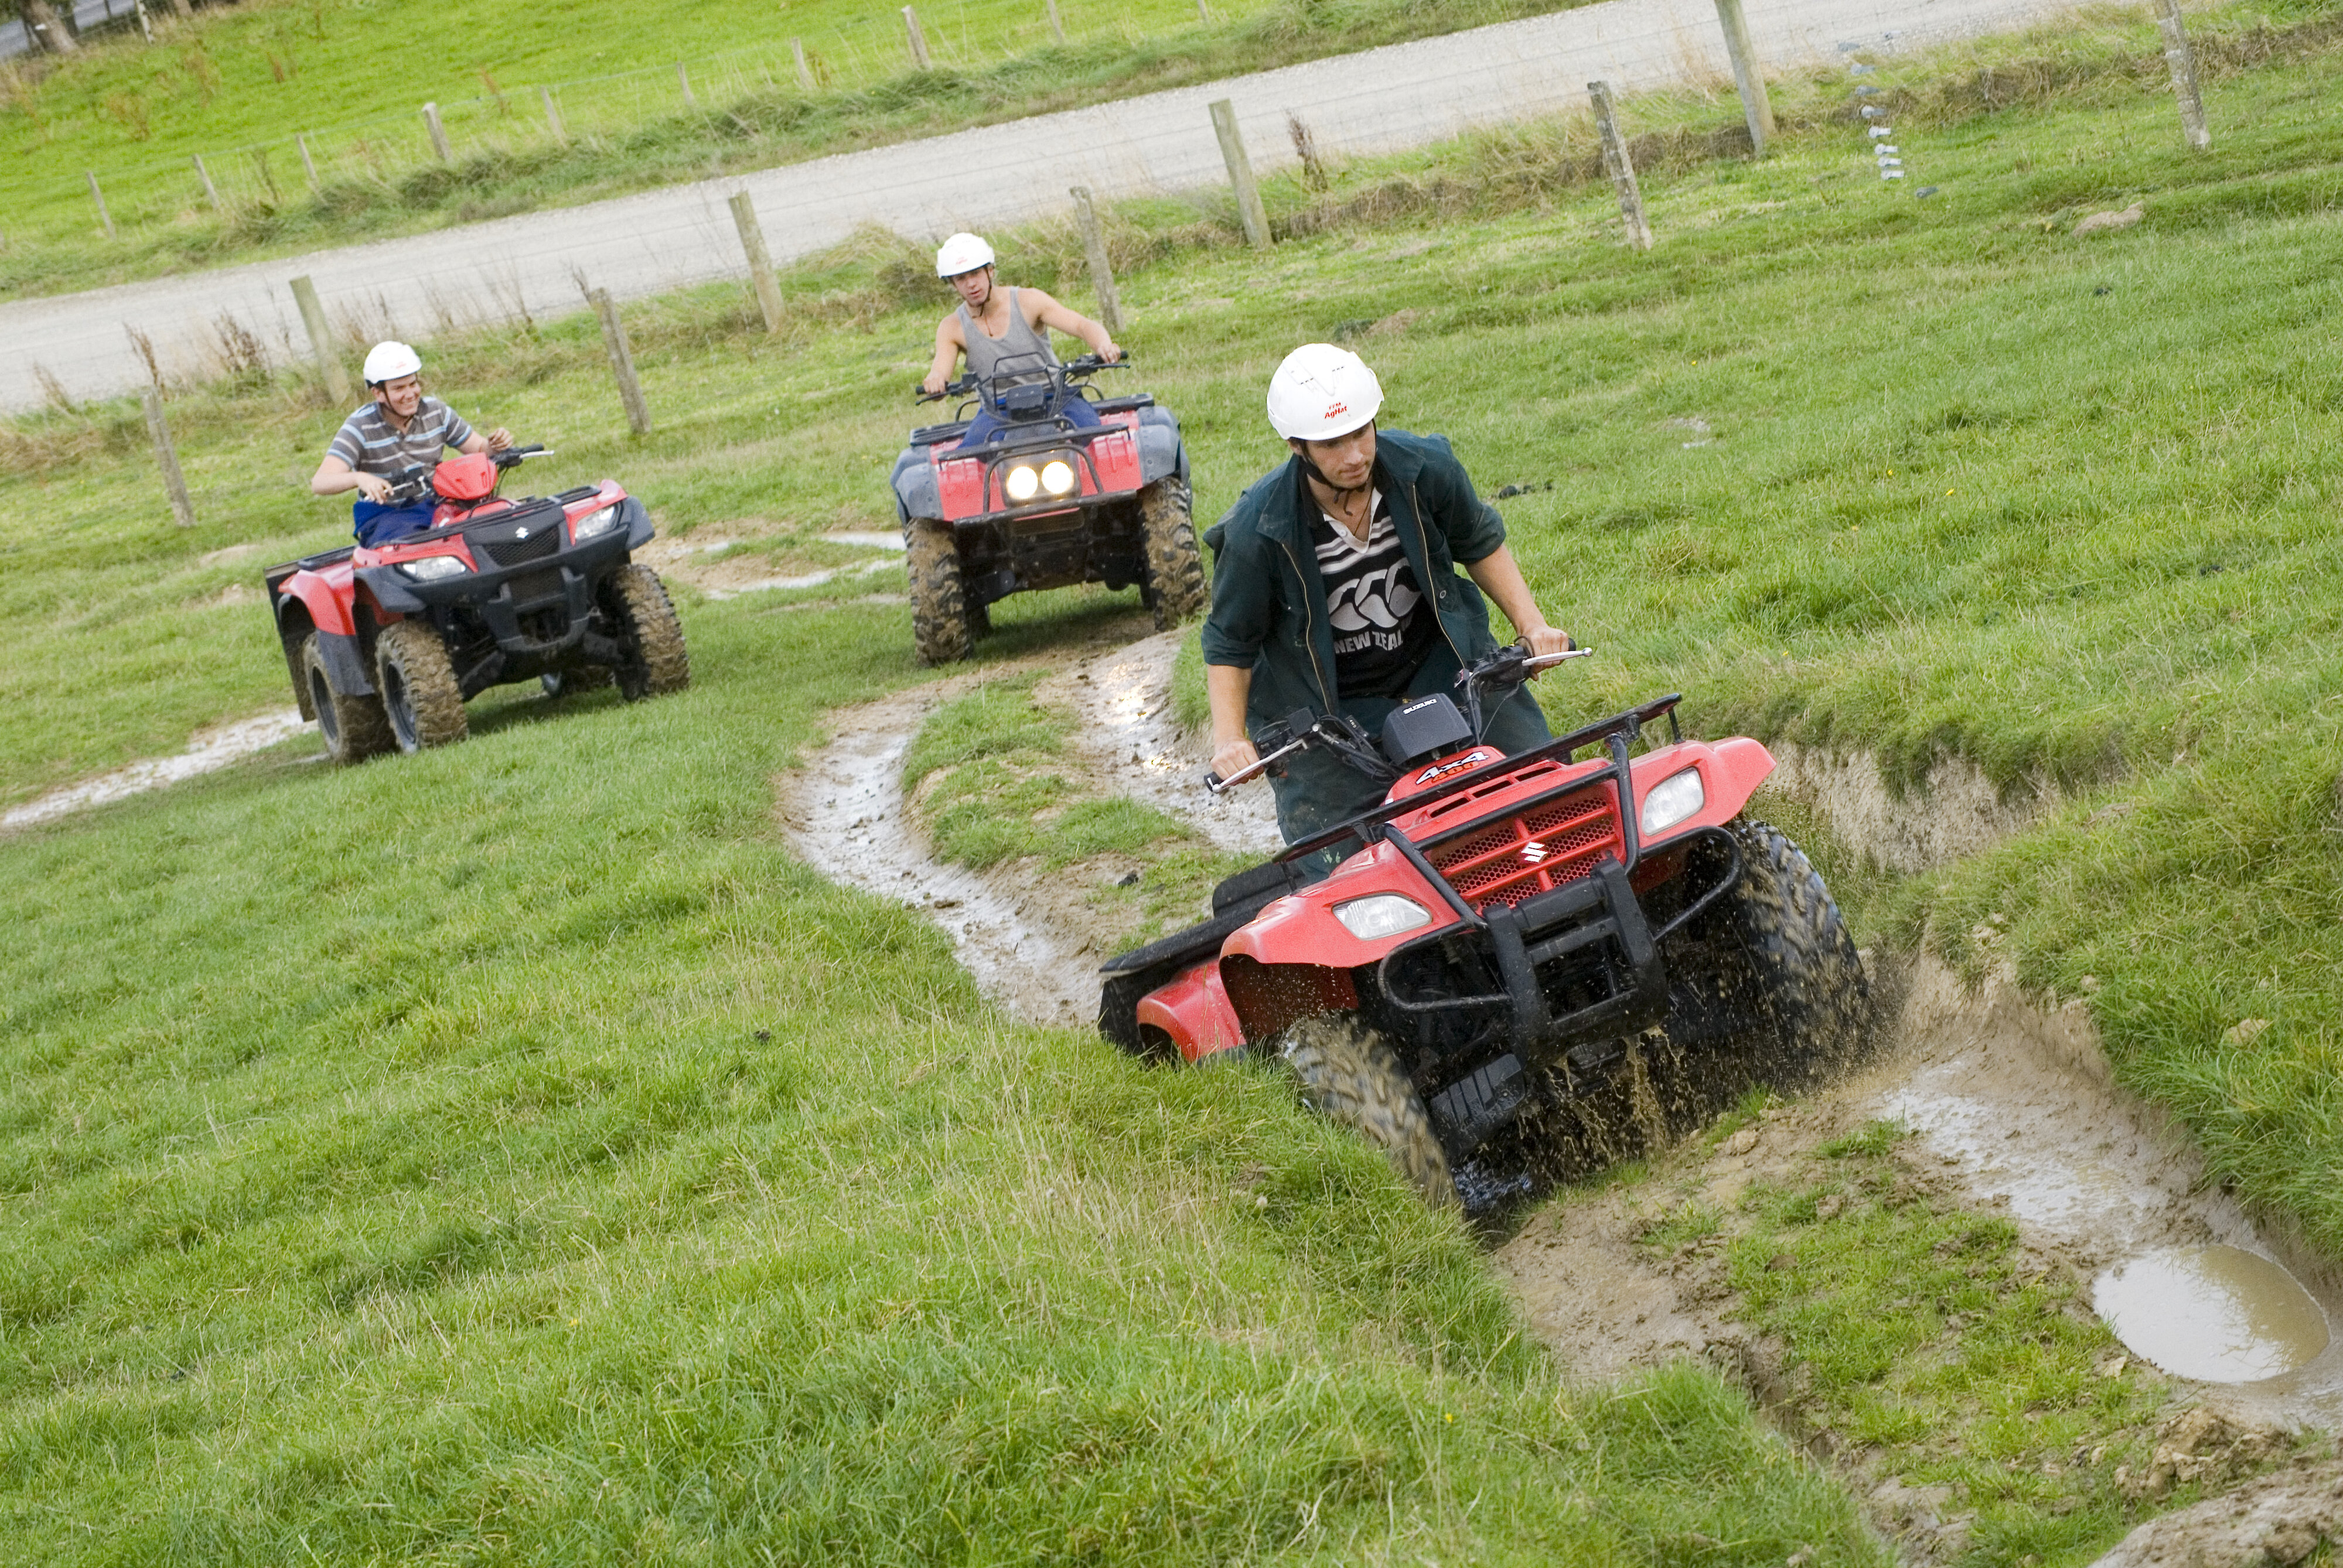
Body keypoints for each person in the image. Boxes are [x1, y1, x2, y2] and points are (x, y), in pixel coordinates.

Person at [1201, 344, 1575, 848]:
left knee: (1545, 782)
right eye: (1332, 444)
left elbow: (1478, 541)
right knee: (1337, 853)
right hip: (1328, 711)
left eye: (1361, 432)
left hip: (1444, 666)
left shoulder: (1424, 469)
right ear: (1296, 446)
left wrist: (1532, 626)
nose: (1354, 455)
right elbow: (1230, 642)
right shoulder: (1257, 528)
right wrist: (1229, 739)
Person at [920, 232, 1121, 446]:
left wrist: (1104, 345)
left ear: (990, 271)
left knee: (1094, 437)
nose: (971, 284)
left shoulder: (1029, 301)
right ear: (953, 284)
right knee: (972, 453)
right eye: (961, 278)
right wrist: (935, 381)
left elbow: (1082, 325)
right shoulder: (952, 327)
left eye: (976, 273)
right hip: (998, 409)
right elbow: (940, 369)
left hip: (1055, 397)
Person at [309, 341, 511, 547]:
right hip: (388, 515)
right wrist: (359, 478)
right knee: (412, 549)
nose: (410, 394)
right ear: (378, 393)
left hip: (438, 504)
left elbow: (479, 450)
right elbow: (320, 482)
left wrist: (495, 445)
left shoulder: (436, 412)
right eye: (399, 388)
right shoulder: (360, 426)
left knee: (500, 520)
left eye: (413, 384)